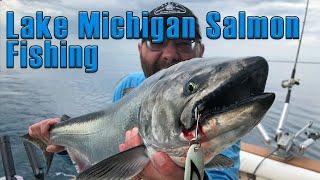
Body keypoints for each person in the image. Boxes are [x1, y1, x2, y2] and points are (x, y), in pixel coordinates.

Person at [28, 2, 240, 180]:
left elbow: (225, 173)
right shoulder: (128, 85)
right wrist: (64, 145)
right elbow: (107, 143)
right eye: (156, 41)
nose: (169, 54)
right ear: (141, 49)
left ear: (200, 51)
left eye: (184, 43)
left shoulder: (218, 104)